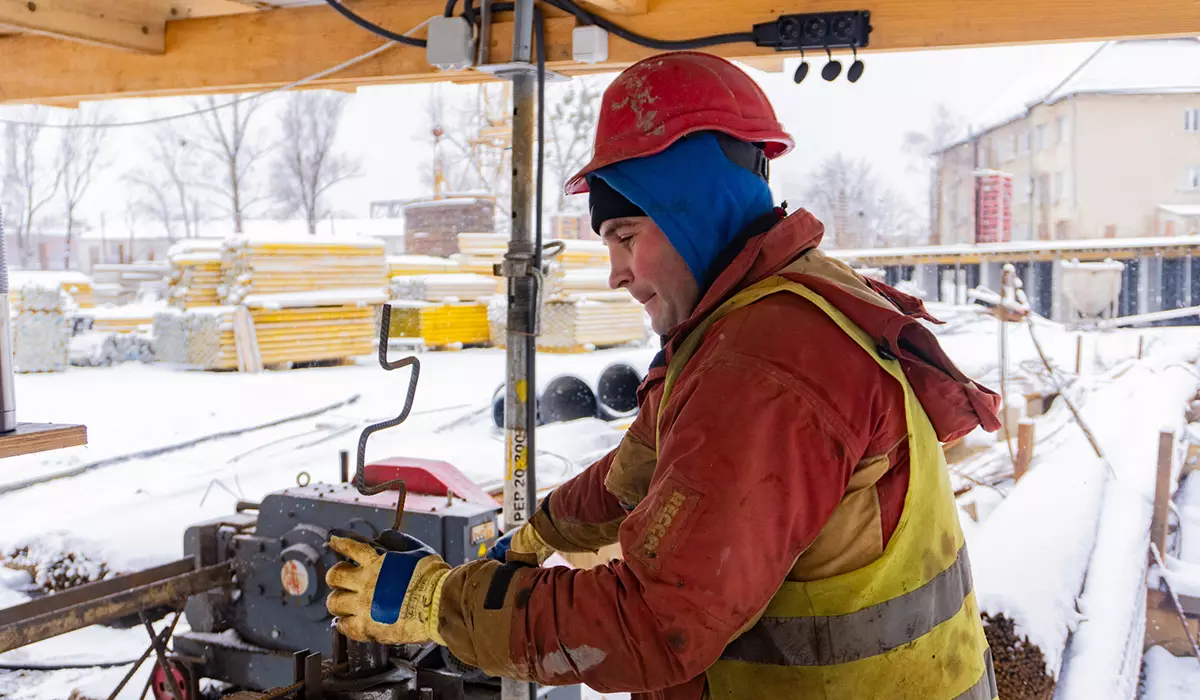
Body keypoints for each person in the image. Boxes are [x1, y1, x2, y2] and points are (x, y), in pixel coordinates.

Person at [326, 51, 1002, 700]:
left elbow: (653, 625)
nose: (616, 273)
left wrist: (442, 604)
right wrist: (545, 530)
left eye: (625, 236)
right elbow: (647, 464)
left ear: (692, 209)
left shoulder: (765, 365)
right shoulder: (766, 310)